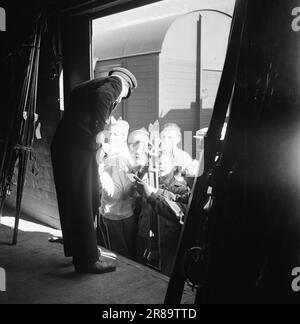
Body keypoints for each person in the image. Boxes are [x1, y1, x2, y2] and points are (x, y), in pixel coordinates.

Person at [50, 67, 137, 274]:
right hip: (78, 149)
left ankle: (78, 251)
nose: (120, 99)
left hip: (64, 147)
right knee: (83, 201)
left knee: (74, 201)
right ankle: (88, 261)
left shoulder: (88, 86)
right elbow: (103, 97)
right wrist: (98, 135)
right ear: (126, 87)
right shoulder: (116, 84)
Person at [134, 151, 191, 276]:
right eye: (158, 163)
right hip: (148, 234)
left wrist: (152, 194)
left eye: (165, 163)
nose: (161, 166)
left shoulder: (181, 187)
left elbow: (177, 207)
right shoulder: (151, 181)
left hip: (168, 237)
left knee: (167, 273)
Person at [98, 119, 136, 260]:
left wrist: (101, 173)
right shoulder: (115, 154)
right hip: (121, 212)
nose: (111, 137)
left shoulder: (119, 159)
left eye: (116, 134)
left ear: (124, 136)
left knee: (119, 257)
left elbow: (116, 194)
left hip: (115, 215)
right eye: (110, 133)